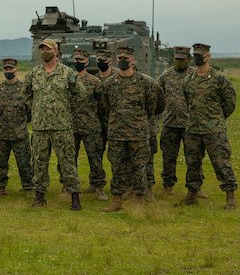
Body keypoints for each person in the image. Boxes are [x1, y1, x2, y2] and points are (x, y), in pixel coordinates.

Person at [24, 38, 83, 210]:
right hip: (40, 127)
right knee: (39, 163)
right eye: (42, 49)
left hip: (62, 127)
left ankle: (74, 197)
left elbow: (80, 95)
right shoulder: (34, 74)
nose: (45, 52)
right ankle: (39, 196)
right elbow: (26, 96)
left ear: (56, 51)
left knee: (67, 163)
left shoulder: (67, 73)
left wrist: (65, 110)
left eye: (48, 49)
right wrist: (37, 109)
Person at [99, 46, 158, 211]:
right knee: (117, 167)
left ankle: (139, 200)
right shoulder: (109, 84)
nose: (123, 61)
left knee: (139, 167)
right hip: (116, 133)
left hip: (138, 133)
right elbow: (105, 106)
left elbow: (152, 107)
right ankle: (117, 200)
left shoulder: (145, 83)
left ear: (133, 61)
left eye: (126, 58)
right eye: (120, 58)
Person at [179, 43, 237, 209]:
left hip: (214, 130)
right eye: (195, 54)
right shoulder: (189, 80)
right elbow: (188, 100)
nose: (198, 58)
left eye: (200, 55)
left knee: (221, 163)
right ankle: (192, 194)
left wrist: (216, 118)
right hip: (193, 129)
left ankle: (230, 196)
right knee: (192, 163)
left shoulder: (220, 79)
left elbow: (230, 103)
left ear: (208, 57)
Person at [71, 48, 107, 200]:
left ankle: (98, 187)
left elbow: (103, 105)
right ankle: (69, 186)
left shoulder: (95, 82)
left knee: (95, 158)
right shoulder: (68, 80)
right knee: (69, 158)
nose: (78, 62)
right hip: (71, 126)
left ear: (87, 62)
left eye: (81, 60)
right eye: (76, 60)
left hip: (91, 126)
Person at [157, 46, 194, 194]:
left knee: (193, 157)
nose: (178, 62)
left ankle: (194, 187)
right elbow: (158, 95)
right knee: (168, 156)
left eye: (182, 59)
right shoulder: (166, 75)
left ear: (188, 59)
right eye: (176, 59)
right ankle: (168, 185)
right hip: (169, 123)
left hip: (190, 124)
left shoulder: (194, 75)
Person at [0, 58, 32, 196]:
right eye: (6, 69)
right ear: (3, 70)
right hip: (2, 134)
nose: (8, 71)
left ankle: (28, 188)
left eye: (11, 69)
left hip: (19, 134)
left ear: (16, 69)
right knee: (0, 163)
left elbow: (30, 111)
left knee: (24, 163)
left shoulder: (24, 89)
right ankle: (1, 188)